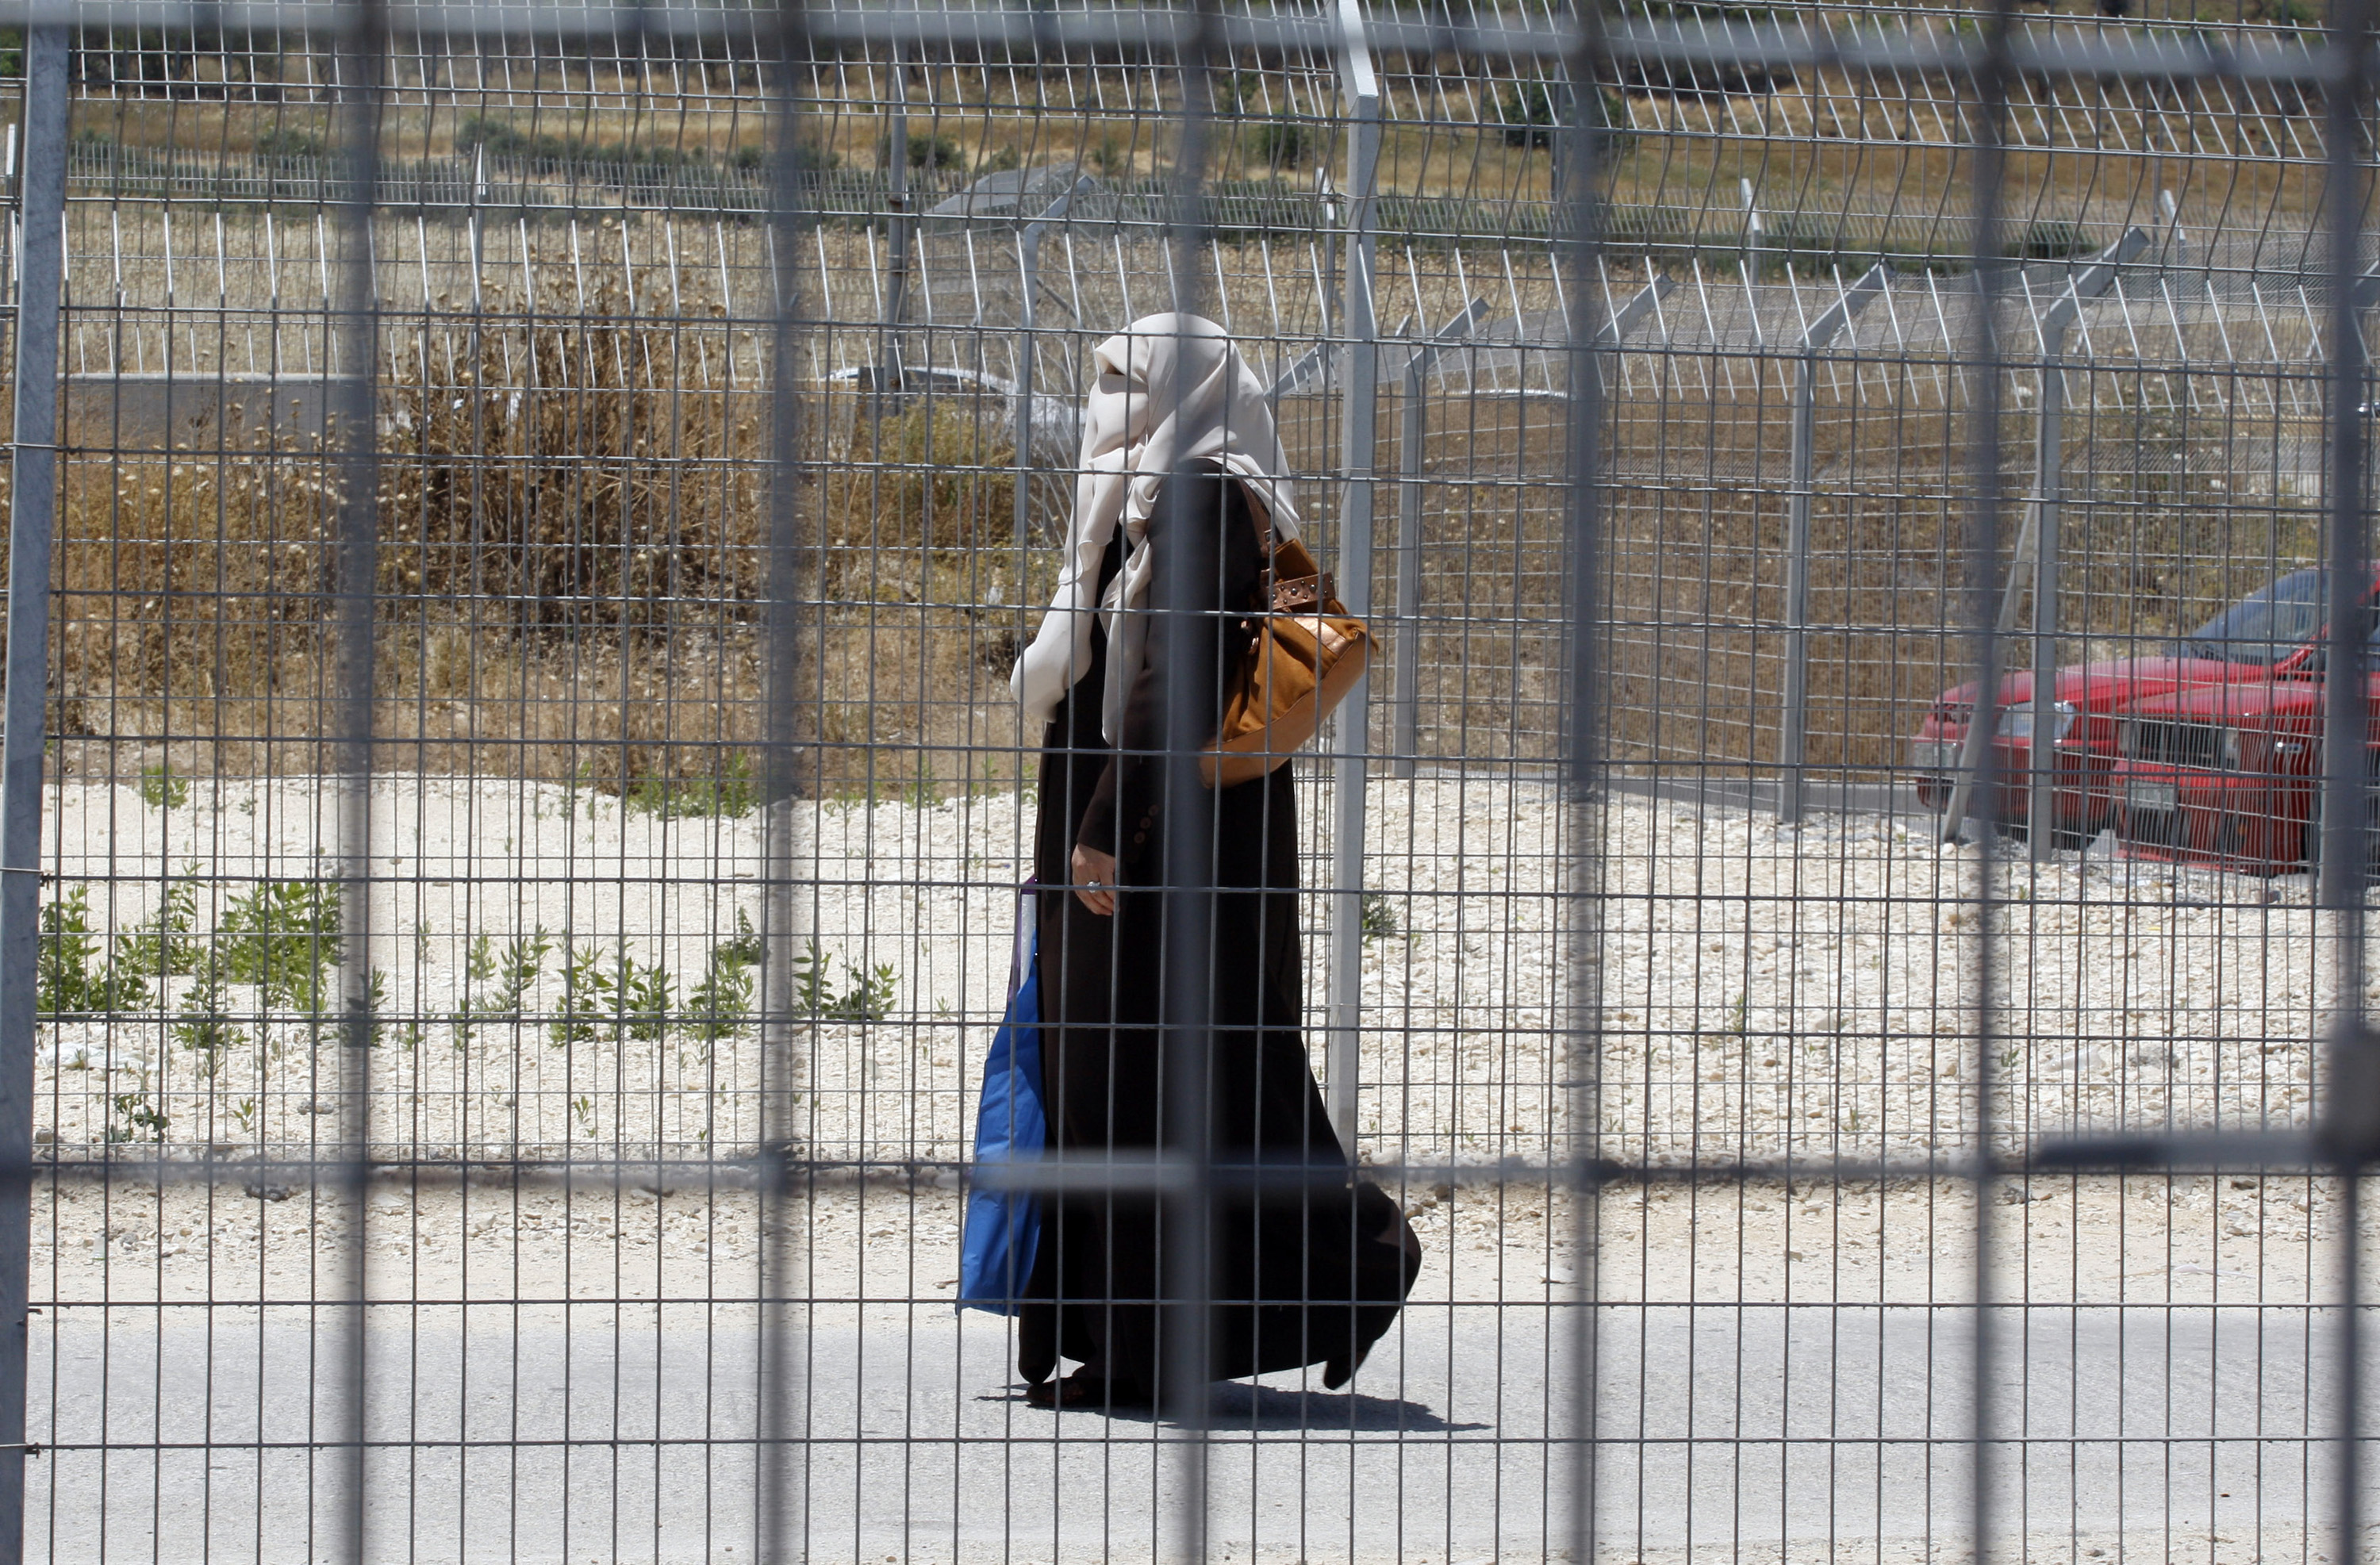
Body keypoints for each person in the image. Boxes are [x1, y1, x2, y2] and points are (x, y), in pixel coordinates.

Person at [1008, 313, 1422, 1413]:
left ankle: (1361, 1256)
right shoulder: (1138, 503)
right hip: (1128, 817)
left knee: (1166, 1079)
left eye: (1122, 380)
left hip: (1168, 836)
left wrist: (1104, 826)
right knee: (1120, 1082)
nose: (1103, 402)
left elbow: (1172, 681)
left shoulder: (1201, 494)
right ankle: (1125, 1341)